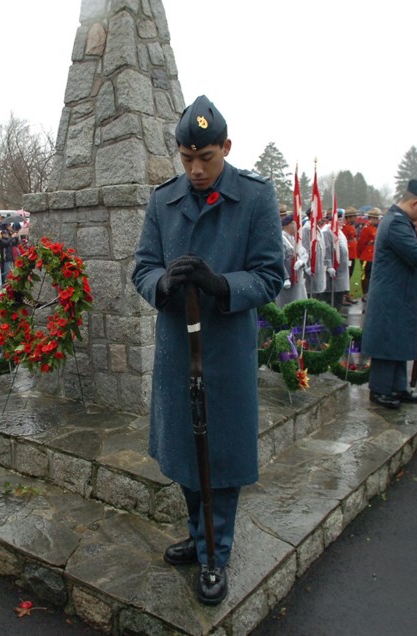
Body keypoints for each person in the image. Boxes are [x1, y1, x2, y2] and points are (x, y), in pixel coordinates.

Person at [131, 95, 285, 606]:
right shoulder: (163, 200)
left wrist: (221, 283)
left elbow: (269, 276)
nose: (196, 170)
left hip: (224, 351)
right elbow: (142, 267)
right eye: (187, 158)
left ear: (226, 147)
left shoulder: (256, 198)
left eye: (207, 159)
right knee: (184, 450)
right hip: (179, 350)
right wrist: (162, 283)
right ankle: (202, 539)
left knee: (219, 455)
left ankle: (215, 553)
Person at [361, 180, 417, 409]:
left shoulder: (399, 221)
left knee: (397, 340)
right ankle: (380, 389)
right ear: (415, 203)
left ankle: (397, 386)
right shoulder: (397, 223)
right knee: (387, 342)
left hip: (398, 292)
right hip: (391, 294)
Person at [276, 212, 307, 306]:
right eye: (294, 224)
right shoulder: (281, 239)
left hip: (297, 279)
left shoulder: (294, 238)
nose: (296, 227)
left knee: (298, 302)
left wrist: (302, 261)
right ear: (287, 225)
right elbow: (279, 259)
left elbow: (304, 253)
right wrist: (285, 277)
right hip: (287, 280)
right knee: (286, 304)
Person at [358, 209, 380, 299]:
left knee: (372, 275)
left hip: (373, 254)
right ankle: (365, 293)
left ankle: (370, 292)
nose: (378, 220)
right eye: (376, 218)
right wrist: (360, 254)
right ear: (372, 218)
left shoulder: (375, 228)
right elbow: (362, 242)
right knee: (365, 275)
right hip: (367, 255)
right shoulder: (367, 228)